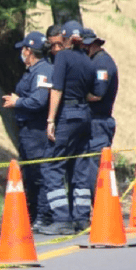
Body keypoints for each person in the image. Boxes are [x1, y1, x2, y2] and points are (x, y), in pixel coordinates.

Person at [39, 20, 96, 236]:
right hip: (84, 116)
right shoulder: (89, 61)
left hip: (67, 116)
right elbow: (92, 93)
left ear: (65, 39)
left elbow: (57, 89)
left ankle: (61, 218)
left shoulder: (62, 57)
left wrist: (51, 120)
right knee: (80, 166)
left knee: (52, 166)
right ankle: (82, 218)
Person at [1, 31, 54, 232]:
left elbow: (39, 101)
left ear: (29, 51)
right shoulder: (31, 71)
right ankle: (31, 215)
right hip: (27, 131)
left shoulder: (43, 72)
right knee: (29, 175)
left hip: (36, 131)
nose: (21, 53)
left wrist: (18, 101)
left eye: (23, 49)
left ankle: (43, 216)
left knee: (39, 174)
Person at [80, 28, 119, 197]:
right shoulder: (94, 61)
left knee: (95, 169)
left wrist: (75, 95)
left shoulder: (102, 63)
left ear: (93, 45)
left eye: (85, 46)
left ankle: (102, 207)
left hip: (98, 123)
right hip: (93, 122)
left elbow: (97, 94)